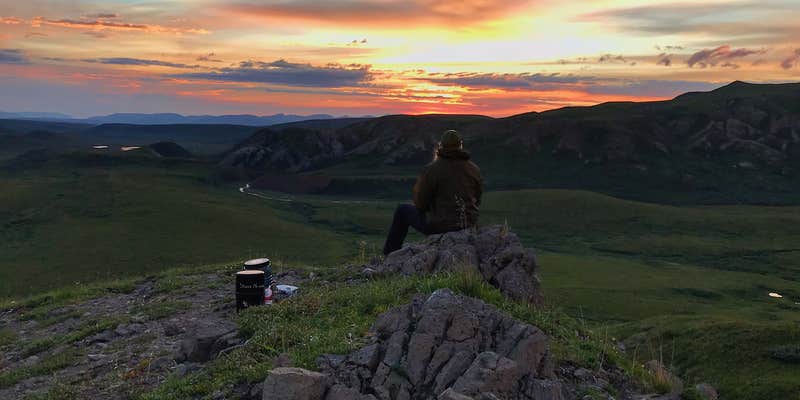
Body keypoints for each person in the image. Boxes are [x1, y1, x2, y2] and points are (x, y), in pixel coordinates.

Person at [383, 129, 483, 255]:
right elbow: (477, 199)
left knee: (402, 211)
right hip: (468, 224)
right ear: (461, 145)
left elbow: (421, 204)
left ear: (441, 145)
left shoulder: (432, 169)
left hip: (440, 227)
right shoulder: (474, 169)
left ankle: (389, 255)